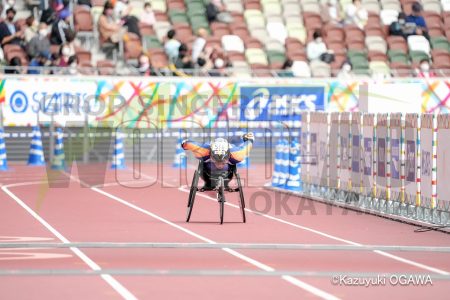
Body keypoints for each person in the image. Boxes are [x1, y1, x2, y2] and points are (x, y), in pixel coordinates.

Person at [181, 133, 254, 190]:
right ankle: (208, 182)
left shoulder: (237, 154)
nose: (219, 164)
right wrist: (184, 144)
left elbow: (246, 147)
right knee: (202, 162)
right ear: (211, 153)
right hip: (207, 170)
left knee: (233, 164)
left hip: (228, 171)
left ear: (228, 155)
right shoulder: (203, 151)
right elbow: (190, 144)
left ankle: (225, 182)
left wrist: (249, 139)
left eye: (223, 161)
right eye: (216, 160)